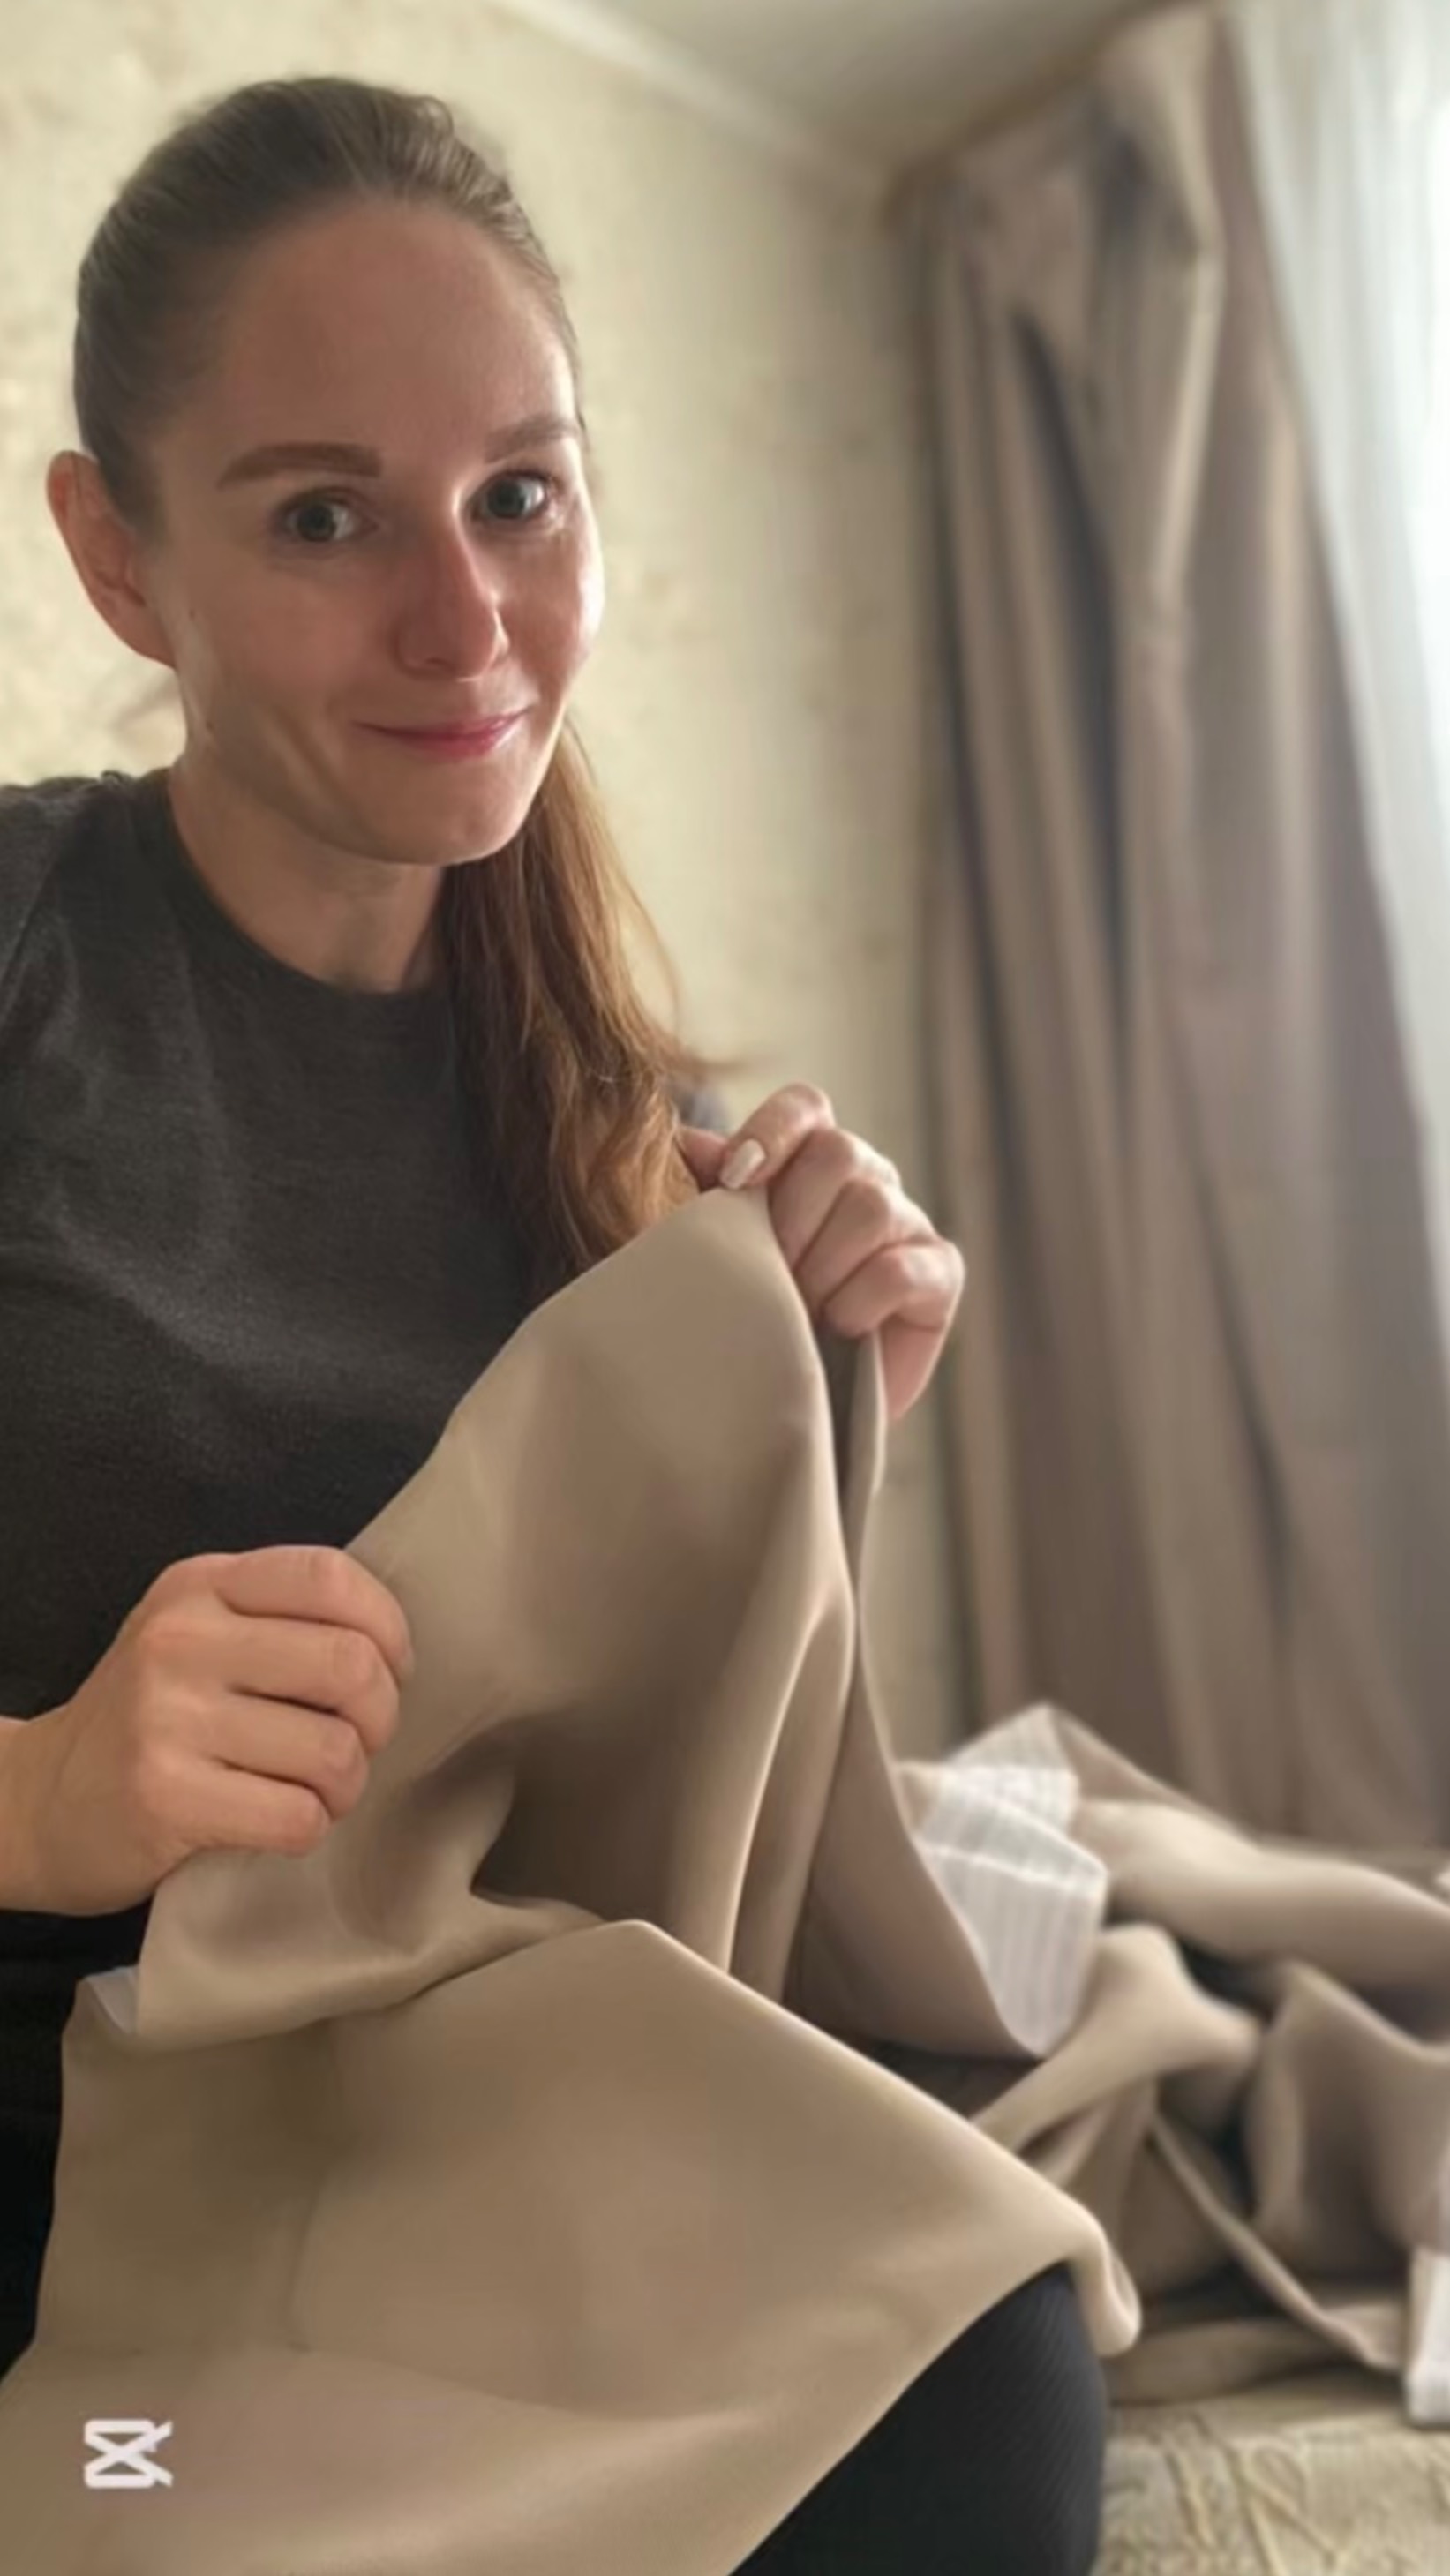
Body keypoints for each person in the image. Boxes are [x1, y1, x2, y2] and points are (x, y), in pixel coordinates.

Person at [0, 74, 1106, 2569]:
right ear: (120, 558)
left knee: (976, 2370)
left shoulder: (637, 1139)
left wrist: (816, 1434)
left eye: (519, 494)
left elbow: (683, 1863)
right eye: (324, 517)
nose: (464, 620)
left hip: (474, 2154)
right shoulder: (28, 958)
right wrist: (46, 1791)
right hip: (72, 2211)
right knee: (178, 2502)